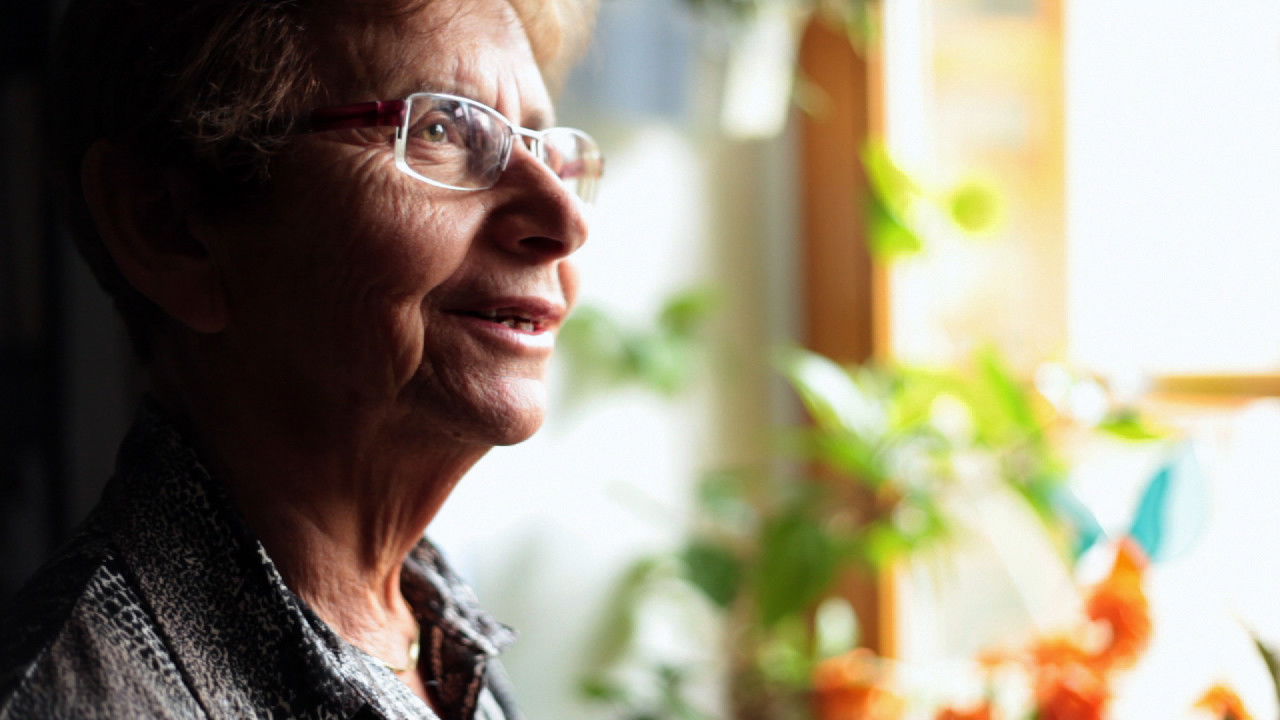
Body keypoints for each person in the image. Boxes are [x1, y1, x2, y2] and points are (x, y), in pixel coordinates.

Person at [0, 0, 601, 717]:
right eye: (442, 128)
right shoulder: (74, 701)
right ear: (168, 228)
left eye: (547, 150)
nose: (566, 223)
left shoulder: (424, 631)